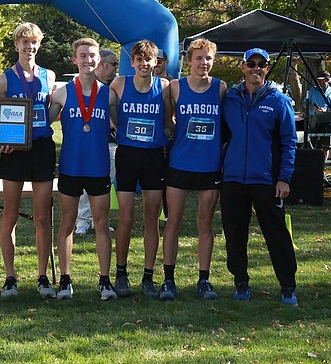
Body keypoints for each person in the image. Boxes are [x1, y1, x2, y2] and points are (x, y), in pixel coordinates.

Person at [221, 47, 298, 306]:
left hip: (266, 180)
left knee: (276, 235)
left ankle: (288, 285)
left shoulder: (279, 101)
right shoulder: (230, 98)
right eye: (251, 64)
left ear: (267, 68)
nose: (256, 68)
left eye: (261, 64)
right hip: (233, 179)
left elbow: (289, 142)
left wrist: (284, 178)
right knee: (234, 234)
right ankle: (240, 282)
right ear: (242, 67)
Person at [158, 38, 228, 301]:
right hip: (180, 164)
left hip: (209, 166)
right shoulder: (175, 87)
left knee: (205, 225)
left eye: (208, 58)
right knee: (173, 223)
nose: (204, 63)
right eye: (199, 58)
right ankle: (168, 279)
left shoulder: (221, 88)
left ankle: (204, 279)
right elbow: (168, 123)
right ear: (189, 61)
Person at [49, 38, 118, 300]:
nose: (88, 60)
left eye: (92, 56)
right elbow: (40, 122)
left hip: (98, 167)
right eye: (83, 56)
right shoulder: (62, 93)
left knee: (101, 223)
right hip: (71, 167)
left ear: (99, 59)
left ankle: (104, 280)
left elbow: (121, 125)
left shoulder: (109, 94)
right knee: (67, 222)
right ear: (75, 59)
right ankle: (65, 280)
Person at [0, 22, 58, 299]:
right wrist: (3, 140)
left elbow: (52, 109)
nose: (29, 47)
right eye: (24, 42)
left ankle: (43, 277)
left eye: (33, 42)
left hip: (42, 147)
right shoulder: (4, 79)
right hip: (15, 152)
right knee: (10, 215)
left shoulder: (50, 75)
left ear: (39, 45)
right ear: (16, 45)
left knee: (42, 216)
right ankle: (10, 277)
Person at [108, 39, 171, 299]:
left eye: (149, 60)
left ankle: (148, 275)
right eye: (140, 60)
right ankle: (120, 273)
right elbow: (108, 107)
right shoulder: (120, 84)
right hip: (128, 156)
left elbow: (169, 120)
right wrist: (115, 126)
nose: (145, 64)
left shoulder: (164, 87)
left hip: (154, 157)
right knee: (125, 218)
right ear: (132, 62)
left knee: (151, 219)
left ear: (156, 62)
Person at [75, 48, 118, 236]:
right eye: (114, 64)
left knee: (105, 184)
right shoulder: (81, 85)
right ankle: (82, 221)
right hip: (84, 143)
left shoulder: (113, 88)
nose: (116, 69)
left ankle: (98, 219)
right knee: (83, 185)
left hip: (108, 144)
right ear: (103, 64)